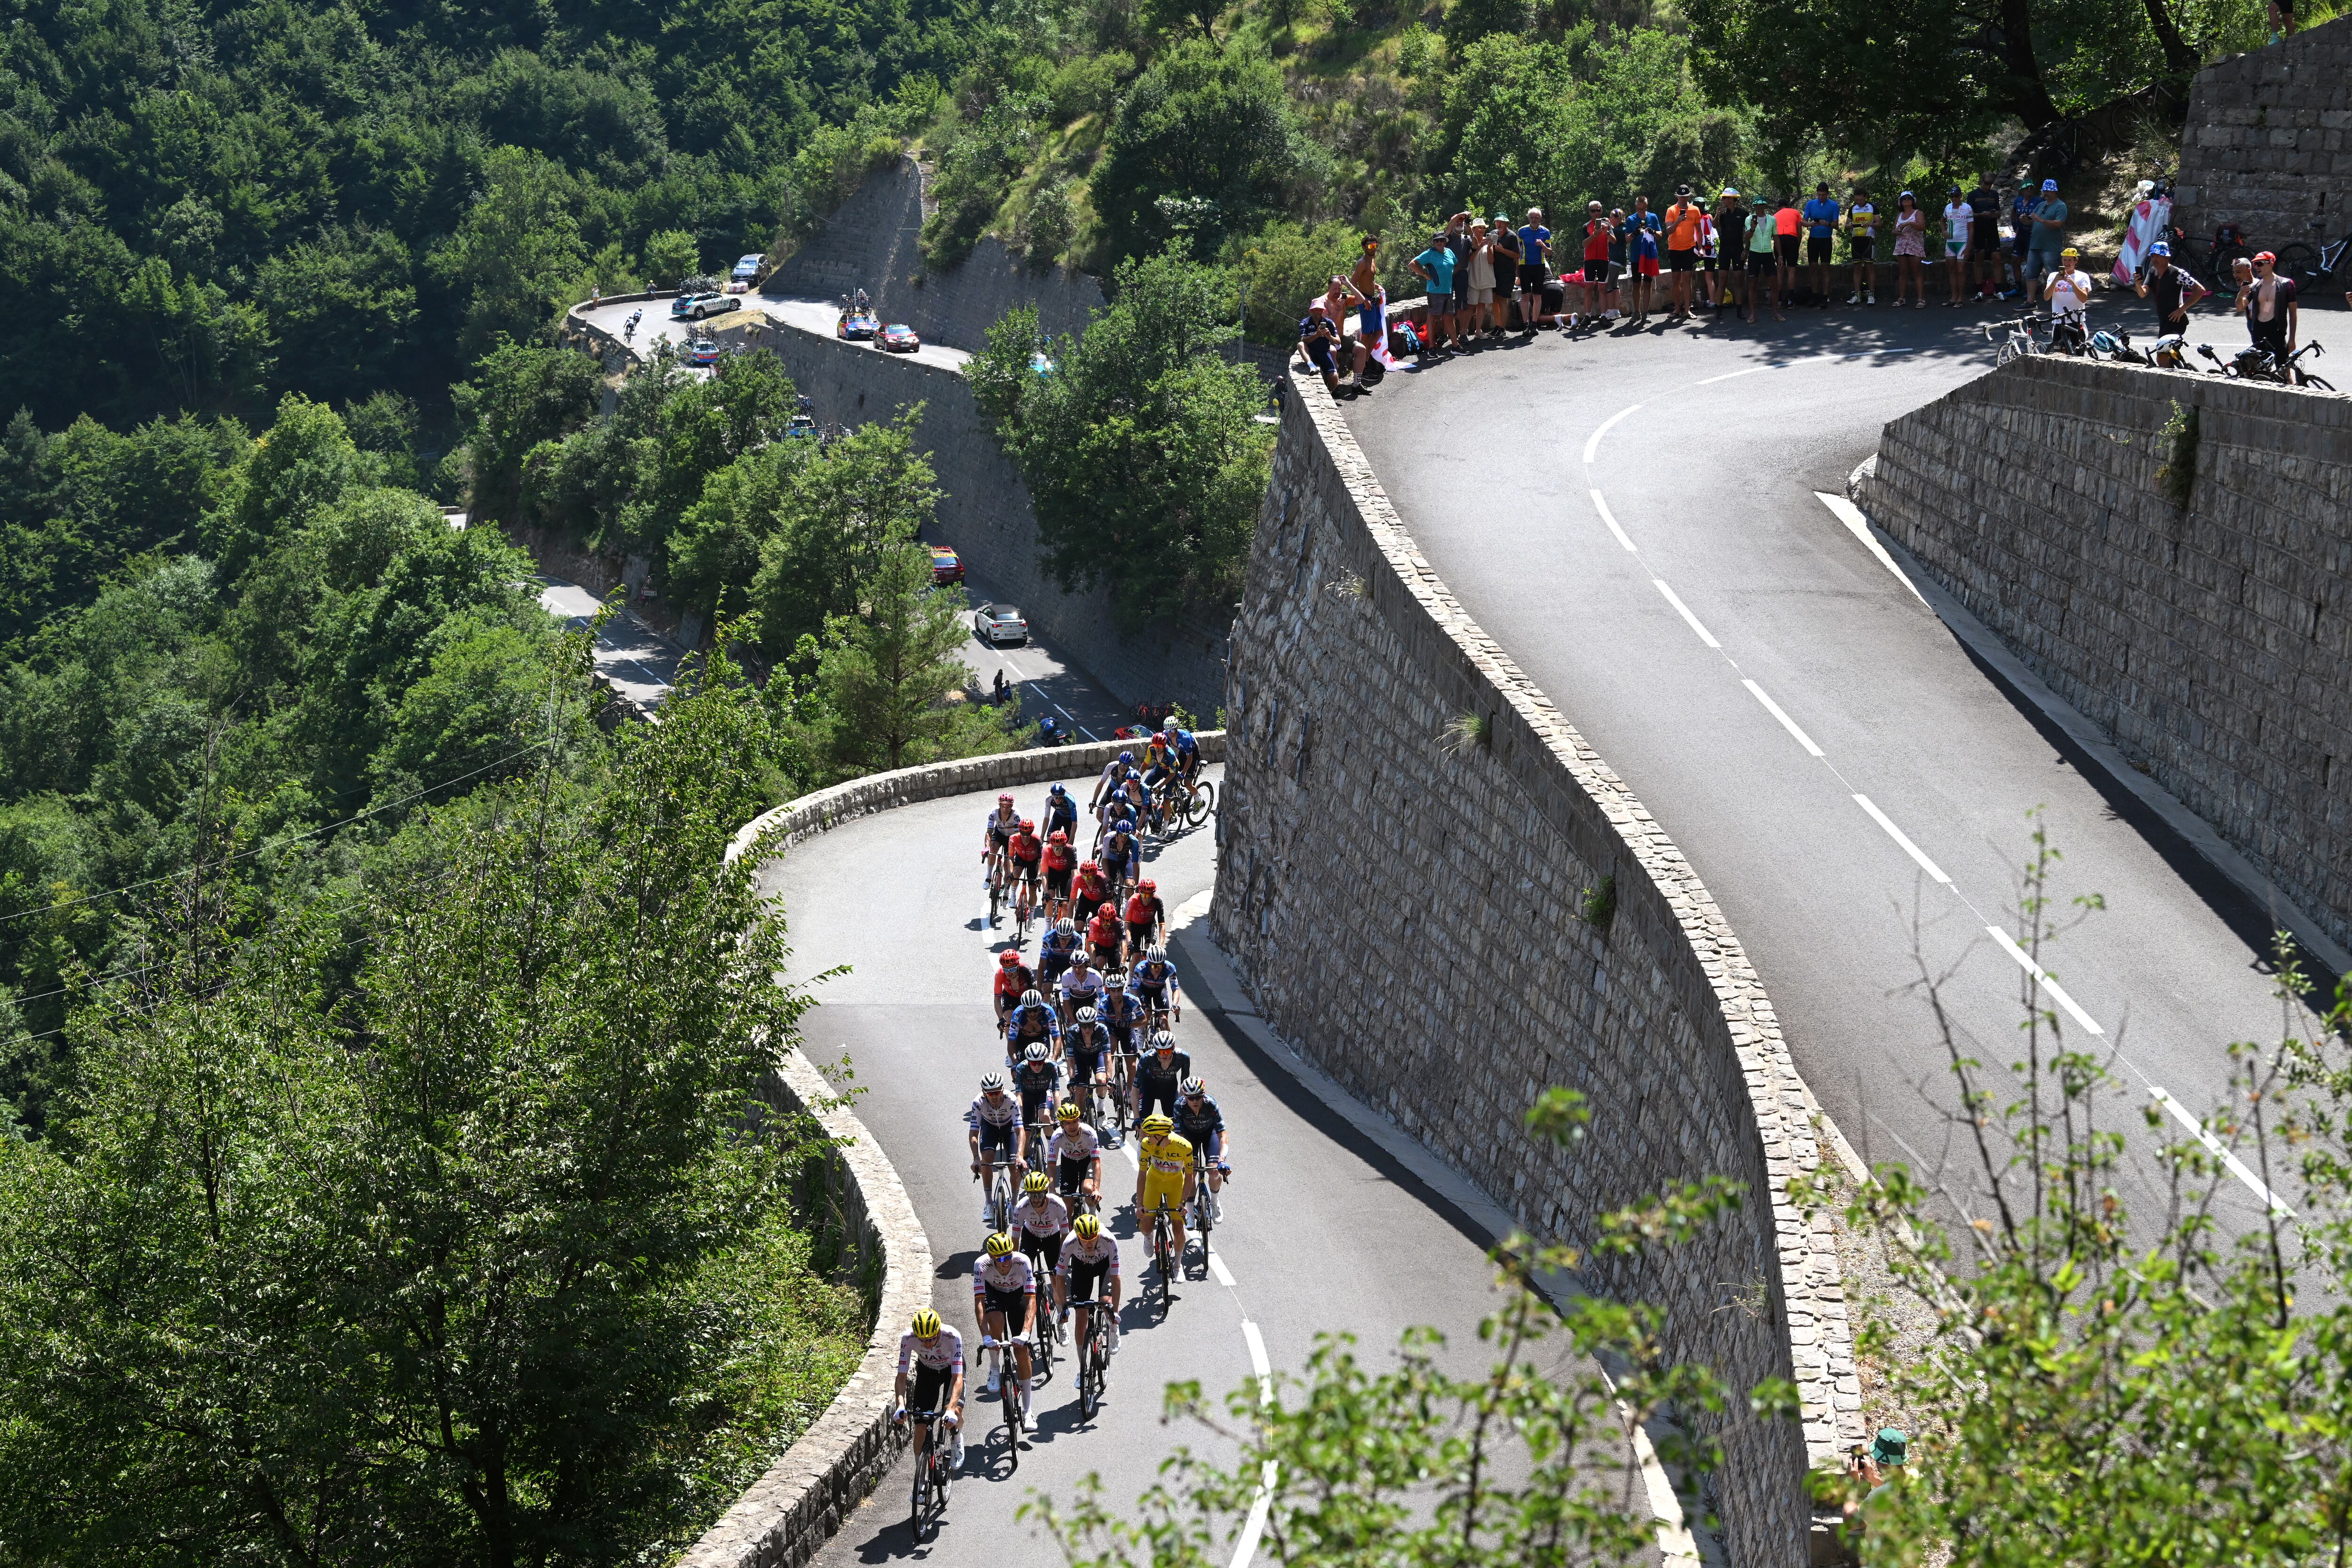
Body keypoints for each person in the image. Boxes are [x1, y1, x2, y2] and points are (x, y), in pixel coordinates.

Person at [971, 1232, 1037, 1428]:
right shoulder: (981, 1265)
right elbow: (979, 1304)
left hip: (1018, 1295)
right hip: (995, 1294)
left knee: (1022, 1351)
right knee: (996, 1323)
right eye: (1001, 1258)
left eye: (1009, 1255)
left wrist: (1026, 1332)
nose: (1007, 1261)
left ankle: (1027, 1411)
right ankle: (994, 1367)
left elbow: (1032, 1300)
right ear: (992, 1258)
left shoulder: (1022, 1262)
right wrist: (986, 1337)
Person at [893, 1309, 965, 1473]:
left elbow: (958, 1379)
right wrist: (900, 1405)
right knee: (920, 1427)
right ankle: (921, 1478)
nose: (927, 1343)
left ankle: (957, 1437)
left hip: (951, 1372)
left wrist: (952, 1409)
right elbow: (901, 1376)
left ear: (939, 1331)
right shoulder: (908, 1338)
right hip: (927, 1372)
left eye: (932, 1339)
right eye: (923, 1340)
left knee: (955, 1412)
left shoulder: (952, 1337)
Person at [1054, 1212, 1120, 1360]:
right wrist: (1064, 1307)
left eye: (1093, 1238)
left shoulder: (1109, 1239)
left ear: (1098, 1234)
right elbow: (1060, 1277)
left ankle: (1114, 1330)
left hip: (1105, 1265)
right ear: (1078, 1236)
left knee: (1105, 1301)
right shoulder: (1069, 1243)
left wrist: (1115, 1313)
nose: (1089, 1242)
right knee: (1081, 1316)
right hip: (1082, 1267)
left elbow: (1116, 1278)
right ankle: (1082, 1367)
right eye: (1085, 1239)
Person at [1132, 1113, 1196, 1267]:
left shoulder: (1184, 1147)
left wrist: (1183, 1202)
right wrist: (1139, 1205)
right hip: (1154, 1182)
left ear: (1161, 1136)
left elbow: (1189, 1177)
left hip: (1175, 1184)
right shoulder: (1148, 1144)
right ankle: (1148, 1237)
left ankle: (1178, 1265)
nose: (1147, 1138)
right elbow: (1142, 1175)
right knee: (1146, 1225)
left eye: (1151, 1135)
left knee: (1178, 1228)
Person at [969, 1072, 1027, 1221]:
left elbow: (1020, 1131)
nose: (994, 1096)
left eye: (997, 1092)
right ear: (984, 1093)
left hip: (1009, 1129)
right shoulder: (978, 1103)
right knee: (986, 1161)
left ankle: (1014, 1204)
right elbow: (974, 1133)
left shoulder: (1011, 1100)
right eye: (990, 1094)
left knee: (1015, 1167)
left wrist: (1020, 1156)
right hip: (990, 1128)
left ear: (1002, 1090)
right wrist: (976, 1159)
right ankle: (988, 1203)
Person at [1172, 1077, 1231, 1220]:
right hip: (1188, 1136)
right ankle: (1190, 1212)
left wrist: (1222, 1159)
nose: (1195, 1101)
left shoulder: (1211, 1104)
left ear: (1203, 1095)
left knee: (1214, 1170)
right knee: (1191, 1172)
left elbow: (1222, 1135)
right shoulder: (1179, 1106)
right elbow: (1179, 1137)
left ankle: (1214, 1202)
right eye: (1191, 1098)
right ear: (1185, 1097)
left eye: (1198, 1097)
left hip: (1208, 1134)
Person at [1012, 1169, 1073, 1295]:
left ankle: (1061, 1309)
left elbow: (1065, 1235)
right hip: (1031, 1237)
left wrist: (1062, 1260)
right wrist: (1014, 1262)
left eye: (1038, 1195)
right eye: (1031, 1195)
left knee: (1056, 1276)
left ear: (1046, 1192)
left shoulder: (1058, 1205)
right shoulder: (1021, 1208)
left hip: (1052, 1238)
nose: (1035, 1200)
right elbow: (1015, 1238)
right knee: (1024, 1271)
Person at [2134, 241, 2208, 337]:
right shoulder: (2152, 272)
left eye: (2158, 256)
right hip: (2163, 321)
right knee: (2165, 351)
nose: (2154, 259)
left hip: (2176, 321)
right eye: (2152, 256)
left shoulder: (2178, 274)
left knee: (2164, 351)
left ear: (2167, 258)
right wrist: (2138, 284)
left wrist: (2182, 309)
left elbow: (2200, 290)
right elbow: (2143, 294)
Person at [1058, 1018, 1112, 1141]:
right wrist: (1072, 1080)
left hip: (1097, 1056)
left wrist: (1109, 1078)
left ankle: (1101, 1107)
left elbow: (1107, 1056)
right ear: (1079, 1025)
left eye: (1090, 1025)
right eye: (1084, 1026)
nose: (1087, 1029)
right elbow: (1071, 1059)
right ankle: (1080, 1125)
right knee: (1080, 1092)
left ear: (1095, 1024)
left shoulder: (1102, 1030)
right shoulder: (1073, 1032)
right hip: (1080, 1058)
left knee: (1101, 1081)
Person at [2242, 250, 2298, 361]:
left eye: (2260, 264)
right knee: (2258, 371)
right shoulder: (2255, 286)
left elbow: (2293, 313)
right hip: (2258, 333)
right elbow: (2240, 307)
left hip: (2277, 332)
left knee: (2284, 372)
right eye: (2255, 264)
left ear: (2271, 263)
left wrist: (2292, 339)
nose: (2257, 267)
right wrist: (2240, 296)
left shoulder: (2287, 284)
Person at [1408, 230, 1457, 352]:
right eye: (1437, 241)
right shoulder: (1430, 254)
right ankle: (1431, 346)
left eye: (1442, 240)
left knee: (1449, 317)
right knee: (1433, 317)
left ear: (1445, 241)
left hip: (1448, 290)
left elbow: (1456, 264)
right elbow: (1412, 264)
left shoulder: (1449, 252)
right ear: (1434, 243)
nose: (1439, 243)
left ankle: (1456, 346)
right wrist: (1425, 274)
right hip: (1435, 291)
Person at [1348, 235, 1387, 382]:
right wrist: (1364, 300)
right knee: (1367, 334)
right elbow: (1352, 283)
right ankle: (1362, 369)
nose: (1374, 249)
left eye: (1375, 246)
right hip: (1366, 301)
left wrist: (1376, 286)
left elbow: (1369, 279)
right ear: (1364, 247)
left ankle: (1366, 361)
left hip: (1373, 300)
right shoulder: (1362, 262)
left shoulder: (1372, 261)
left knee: (1378, 332)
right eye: (1371, 246)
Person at [1133, 1029, 1192, 1124]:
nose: (1165, 1055)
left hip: (1169, 1091)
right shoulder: (1147, 1058)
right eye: (1161, 1052)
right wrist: (1136, 1118)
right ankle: (1141, 1138)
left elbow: (1184, 1087)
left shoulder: (1183, 1057)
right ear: (1156, 1050)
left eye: (1168, 1051)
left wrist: (1179, 1107)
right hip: (1148, 1090)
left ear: (1173, 1048)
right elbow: (1135, 1089)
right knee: (1143, 1126)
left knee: (1175, 1125)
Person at [1664, 185, 1704, 321]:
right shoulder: (1671, 210)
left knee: (1687, 279)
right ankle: (1677, 308)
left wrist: (1700, 248)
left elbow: (1699, 231)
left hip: (1689, 249)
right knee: (1676, 280)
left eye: (1685, 197)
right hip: (1674, 249)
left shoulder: (1695, 210)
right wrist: (1678, 221)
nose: (1683, 199)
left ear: (1689, 197)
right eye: (1680, 197)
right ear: (1677, 196)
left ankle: (1687, 310)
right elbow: (1669, 231)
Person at [2026, 179, 2068, 301]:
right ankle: (2030, 302)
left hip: (2051, 247)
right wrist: (2025, 219)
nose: (2046, 193)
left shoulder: (2061, 206)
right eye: (2044, 191)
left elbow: (2059, 224)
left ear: (2055, 192)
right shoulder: (2041, 205)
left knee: (2054, 274)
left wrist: (2041, 220)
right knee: (2031, 274)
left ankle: (2059, 301)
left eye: (2049, 191)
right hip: (2035, 245)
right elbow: (2032, 220)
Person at [2045, 246, 2095, 350]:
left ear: (2076, 261)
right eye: (2065, 260)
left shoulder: (2082, 276)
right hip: (2059, 321)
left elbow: (2084, 299)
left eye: (2070, 260)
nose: (2067, 263)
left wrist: (2072, 283)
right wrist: (2055, 282)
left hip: (2076, 321)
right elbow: (2046, 297)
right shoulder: (2053, 276)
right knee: (2060, 354)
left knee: (2078, 353)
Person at [1803, 182, 1841, 307]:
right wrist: (1810, 225)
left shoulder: (1834, 205)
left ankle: (1825, 296)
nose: (1821, 197)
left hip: (1826, 239)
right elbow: (1804, 221)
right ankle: (1814, 295)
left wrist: (1828, 224)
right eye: (1819, 195)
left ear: (1827, 194)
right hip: (1813, 239)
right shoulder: (1810, 204)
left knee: (1825, 268)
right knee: (1813, 268)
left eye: (1823, 195)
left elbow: (1836, 224)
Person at [1624, 196, 1662, 320]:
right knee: (1636, 285)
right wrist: (1634, 233)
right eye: (1639, 209)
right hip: (1636, 257)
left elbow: (1661, 235)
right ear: (1636, 207)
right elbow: (1627, 239)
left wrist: (1653, 232)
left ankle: (1646, 312)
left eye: (1644, 209)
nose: (1642, 211)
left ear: (1647, 207)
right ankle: (1637, 312)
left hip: (1650, 256)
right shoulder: (1631, 219)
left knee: (1647, 284)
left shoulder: (1653, 217)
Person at [1299, 300, 1347, 396]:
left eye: (1320, 310)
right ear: (1312, 311)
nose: (1318, 312)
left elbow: (1338, 341)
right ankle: (1312, 366)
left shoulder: (1329, 323)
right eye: (1316, 310)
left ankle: (1329, 393)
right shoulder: (1305, 322)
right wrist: (1317, 335)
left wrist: (1329, 337)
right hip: (1311, 352)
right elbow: (1303, 340)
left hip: (1324, 353)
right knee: (1300, 345)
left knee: (1334, 378)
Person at [1747, 192, 1781, 322]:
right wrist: (1752, 229)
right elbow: (1747, 238)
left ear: (1765, 206)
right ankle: (1752, 314)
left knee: (1774, 283)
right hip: (1754, 253)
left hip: (1768, 253)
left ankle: (1776, 312)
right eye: (1757, 205)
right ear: (1754, 206)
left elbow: (1776, 238)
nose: (1759, 207)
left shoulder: (1772, 219)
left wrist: (1780, 256)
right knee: (1752, 284)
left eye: (1762, 205)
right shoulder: (1749, 219)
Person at [1967, 173, 2002, 298]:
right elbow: (1969, 215)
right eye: (1986, 183)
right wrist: (1981, 215)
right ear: (1981, 181)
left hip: (1992, 229)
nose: (1988, 186)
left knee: (1997, 258)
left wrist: (1995, 214)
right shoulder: (1972, 195)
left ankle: (1998, 290)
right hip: (1979, 229)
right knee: (1979, 258)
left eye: (1990, 184)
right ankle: (1979, 290)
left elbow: (1999, 213)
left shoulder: (1994, 194)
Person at [1578, 200, 1612, 325]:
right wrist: (1594, 235)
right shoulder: (1586, 226)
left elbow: (1614, 241)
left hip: (1603, 260)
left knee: (1602, 288)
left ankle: (1603, 316)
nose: (1596, 213)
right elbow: (1584, 244)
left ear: (1601, 211)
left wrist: (1606, 233)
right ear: (1590, 213)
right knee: (1589, 288)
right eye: (1593, 211)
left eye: (1598, 210)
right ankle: (1587, 316)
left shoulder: (1607, 225)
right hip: (1590, 260)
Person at [1004, 985, 1060, 1061]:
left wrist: (1054, 1060)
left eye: (1035, 1010)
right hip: (1023, 1039)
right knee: (1021, 1064)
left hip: (1042, 1036)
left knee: (1045, 1062)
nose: (1032, 1014)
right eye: (1029, 1011)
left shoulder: (1048, 1012)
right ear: (1024, 1009)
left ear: (1040, 1007)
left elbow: (1057, 1039)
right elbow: (1011, 1041)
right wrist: (1015, 1063)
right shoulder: (1018, 1014)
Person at [1130, 945, 1181, 1028]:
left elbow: (1175, 989)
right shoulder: (1140, 968)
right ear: (1149, 963)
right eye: (1154, 966)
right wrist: (1138, 1003)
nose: (1157, 969)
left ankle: (1167, 1040)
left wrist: (1175, 1004)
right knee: (1145, 1017)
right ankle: (1141, 1037)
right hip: (1144, 990)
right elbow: (1135, 990)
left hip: (1160, 990)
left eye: (1160, 966)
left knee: (1164, 1020)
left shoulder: (1170, 968)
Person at [1713, 190, 1746, 317]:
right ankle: (1719, 311)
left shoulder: (1743, 213)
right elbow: (1714, 226)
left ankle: (1739, 311)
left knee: (1739, 280)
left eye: (1725, 198)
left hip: (1738, 249)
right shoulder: (1722, 214)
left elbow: (1749, 232)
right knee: (1723, 280)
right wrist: (1717, 215)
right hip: (1724, 250)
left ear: (1731, 199)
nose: (1723, 201)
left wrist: (1746, 249)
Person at [1517, 208, 1551, 328]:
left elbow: (1549, 253)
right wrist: (1517, 271)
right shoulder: (1522, 231)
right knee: (1525, 295)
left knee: (1537, 295)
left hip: (1539, 265)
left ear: (1540, 219)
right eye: (1532, 217)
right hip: (1525, 265)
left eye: (1537, 217)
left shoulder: (1545, 232)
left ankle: (1534, 323)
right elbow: (1519, 251)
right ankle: (1526, 323)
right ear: (1529, 218)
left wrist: (1542, 245)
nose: (1534, 220)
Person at [1891, 192, 1927, 308]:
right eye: (1904, 198)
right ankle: (1901, 298)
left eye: (1909, 198)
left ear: (1913, 201)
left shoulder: (1918, 213)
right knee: (1903, 273)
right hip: (1902, 247)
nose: (1907, 200)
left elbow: (1922, 227)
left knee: (1917, 272)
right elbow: (1893, 230)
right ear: (1901, 202)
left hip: (1915, 247)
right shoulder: (1900, 215)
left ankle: (1921, 299)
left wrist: (1909, 223)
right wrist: (1896, 232)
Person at [1941, 185, 1974, 305]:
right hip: (1950, 243)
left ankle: (1961, 298)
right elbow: (1942, 221)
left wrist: (1969, 246)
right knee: (1952, 271)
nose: (1954, 198)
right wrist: (1944, 230)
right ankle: (1954, 297)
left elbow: (1971, 229)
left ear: (1961, 196)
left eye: (1956, 196)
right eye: (1952, 196)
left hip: (1963, 242)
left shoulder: (1967, 208)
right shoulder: (1948, 208)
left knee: (1961, 270)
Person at [1488, 213, 1521, 331]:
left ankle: (1502, 328)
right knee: (1494, 299)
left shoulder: (1512, 236)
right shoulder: (1492, 234)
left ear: (1507, 223)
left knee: (1502, 299)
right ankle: (1497, 326)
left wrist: (1503, 251)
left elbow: (1517, 255)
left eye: (1501, 222)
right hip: (1493, 273)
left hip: (1507, 274)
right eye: (1497, 222)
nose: (1499, 224)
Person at [1845, 190, 1878, 305]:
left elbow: (1880, 224)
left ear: (1865, 198)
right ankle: (1857, 295)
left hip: (1869, 240)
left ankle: (1871, 294)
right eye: (1856, 200)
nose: (1858, 202)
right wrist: (1849, 226)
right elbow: (1846, 225)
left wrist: (1870, 224)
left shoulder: (1873, 207)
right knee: (1857, 268)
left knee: (1870, 268)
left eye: (1860, 200)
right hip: (1856, 240)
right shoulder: (1853, 209)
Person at [1123, 879, 1167, 966]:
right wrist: (1129, 943)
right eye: (1145, 895)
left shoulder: (1158, 901)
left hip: (1149, 926)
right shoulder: (1133, 900)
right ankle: (1131, 979)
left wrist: (1161, 945)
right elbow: (1127, 925)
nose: (1147, 898)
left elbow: (1162, 925)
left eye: (1150, 895)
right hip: (1135, 927)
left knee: (1149, 952)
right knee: (1136, 956)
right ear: (1140, 893)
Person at [1005, 816, 1043, 916]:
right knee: (1016, 872)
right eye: (1023, 833)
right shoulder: (1013, 839)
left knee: (1033, 890)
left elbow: (1041, 860)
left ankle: (1031, 918)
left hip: (1033, 862)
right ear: (1020, 831)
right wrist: (1010, 874)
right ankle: (1012, 897)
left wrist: (1039, 876)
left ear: (1032, 833)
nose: (1025, 836)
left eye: (1028, 834)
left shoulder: (1037, 840)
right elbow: (1010, 858)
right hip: (1020, 859)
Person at [981, 792, 1018, 887]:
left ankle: (1006, 892)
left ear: (1012, 806)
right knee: (993, 848)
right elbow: (989, 832)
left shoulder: (1016, 815)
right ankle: (988, 877)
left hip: (1011, 837)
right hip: (999, 833)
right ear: (1000, 805)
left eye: (1008, 807)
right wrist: (987, 847)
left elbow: (1017, 835)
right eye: (1003, 807)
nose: (1005, 810)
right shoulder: (994, 813)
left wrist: (1013, 852)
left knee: (1007, 865)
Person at [991, 949, 1035, 1026]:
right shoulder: (1000, 974)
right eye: (1006, 969)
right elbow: (997, 999)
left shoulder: (1025, 969)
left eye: (1012, 969)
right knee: (1009, 1020)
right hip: (1010, 997)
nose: (1009, 973)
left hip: (1026, 996)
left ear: (1018, 966)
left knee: (1031, 1019)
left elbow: (1034, 991)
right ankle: (1011, 1038)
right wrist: (1001, 1019)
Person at [1773, 194, 1803, 303]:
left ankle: (1779, 300)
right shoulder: (1796, 213)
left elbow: (1773, 234)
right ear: (1788, 206)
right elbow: (1799, 232)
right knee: (1791, 270)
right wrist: (1797, 245)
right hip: (1792, 238)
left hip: (1779, 239)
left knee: (1780, 270)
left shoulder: (1775, 215)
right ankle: (1791, 300)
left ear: (1778, 208)